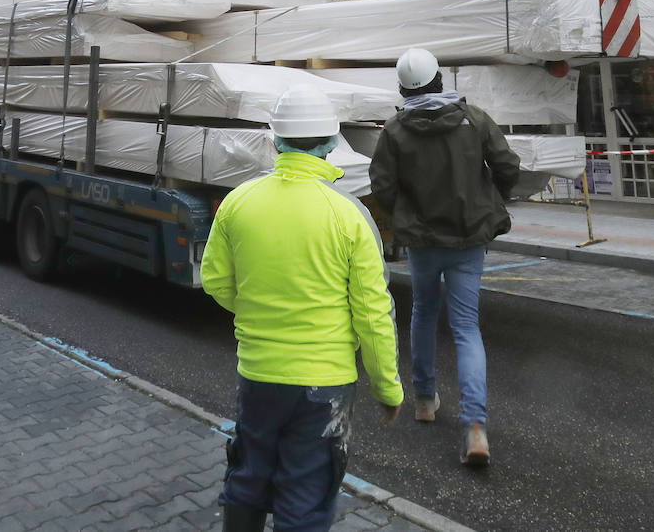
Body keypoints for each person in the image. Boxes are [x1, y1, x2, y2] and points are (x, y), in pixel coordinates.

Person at [202, 88, 402, 532]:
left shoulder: (238, 202)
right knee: (306, 498)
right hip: (324, 385)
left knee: (248, 477)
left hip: (258, 374)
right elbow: (373, 315)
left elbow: (215, 280)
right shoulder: (349, 215)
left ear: (275, 141)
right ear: (333, 142)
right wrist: (388, 390)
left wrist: (258, 312)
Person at [369, 48, 521, 468]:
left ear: (403, 88)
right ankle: (475, 426)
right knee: (466, 327)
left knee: (421, 312)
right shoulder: (474, 120)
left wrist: (405, 215)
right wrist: (493, 197)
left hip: (422, 242)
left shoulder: (396, 130)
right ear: (439, 80)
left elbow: (381, 184)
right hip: (468, 238)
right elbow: (507, 165)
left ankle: (423, 400)